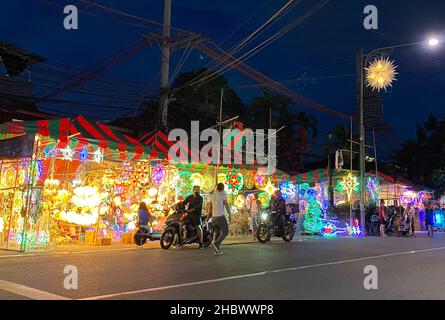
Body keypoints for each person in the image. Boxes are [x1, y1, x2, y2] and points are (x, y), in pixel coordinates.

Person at [208, 183, 232, 255]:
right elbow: (226, 205)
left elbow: (210, 208)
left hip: (214, 217)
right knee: (225, 232)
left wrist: (208, 217)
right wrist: (229, 214)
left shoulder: (213, 195)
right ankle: (216, 244)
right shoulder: (223, 194)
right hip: (220, 216)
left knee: (217, 233)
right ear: (223, 188)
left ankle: (216, 250)